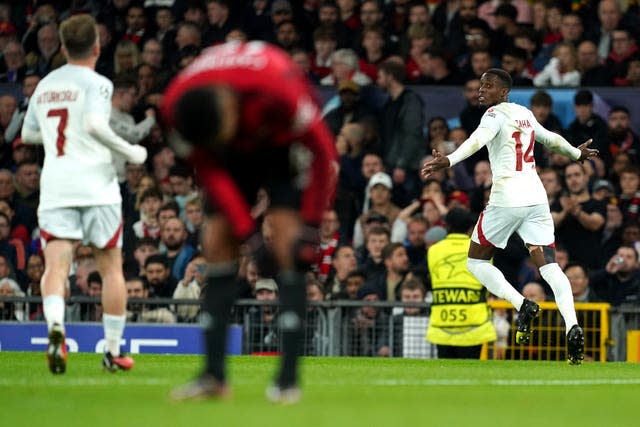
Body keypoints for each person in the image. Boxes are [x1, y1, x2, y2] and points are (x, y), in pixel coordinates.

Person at [161, 41, 337, 402]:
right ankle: (213, 376)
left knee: (289, 245)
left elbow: (323, 155)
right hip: (227, 154)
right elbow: (210, 171)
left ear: (228, 102)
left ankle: (286, 381)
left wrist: (311, 229)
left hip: (278, 141)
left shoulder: (280, 90)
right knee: (216, 241)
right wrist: (250, 237)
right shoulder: (174, 107)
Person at [422, 68, 598, 365]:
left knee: (475, 261)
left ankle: (522, 304)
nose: (481, 90)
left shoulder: (493, 115)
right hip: (537, 198)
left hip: (506, 198)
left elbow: (477, 140)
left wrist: (449, 160)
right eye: (480, 85)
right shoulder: (524, 114)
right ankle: (573, 325)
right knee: (550, 267)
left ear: (503, 92)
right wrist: (576, 154)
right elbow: (551, 139)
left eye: (487, 86)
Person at [20, 14, 147, 374]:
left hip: (57, 185)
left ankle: (56, 328)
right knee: (110, 269)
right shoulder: (98, 83)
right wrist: (130, 150)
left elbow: (29, 135)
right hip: (97, 185)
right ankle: (111, 351)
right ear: (97, 46)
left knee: (56, 265)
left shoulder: (45, 84)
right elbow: (93, 123)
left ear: (62, 47)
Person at [427, 208, 497, 359]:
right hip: (473, 325)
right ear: (470, 227)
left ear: (446, 226)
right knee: (470, 377)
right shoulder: (481, 250)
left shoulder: (433, 251)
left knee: (444, 375)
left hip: (443, 324)